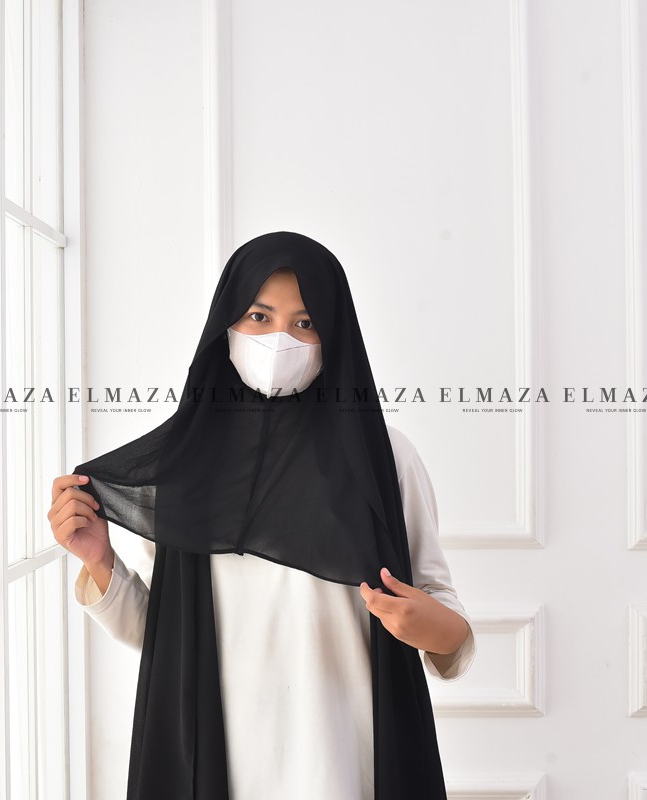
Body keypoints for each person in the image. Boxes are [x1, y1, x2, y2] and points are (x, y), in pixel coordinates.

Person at [49, 232, 476, 800]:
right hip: (219, 765)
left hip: (347, 765)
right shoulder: (187, 462)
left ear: (334, 333)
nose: (280, 340)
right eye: (259, 316)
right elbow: (166, 635)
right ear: (226, 324)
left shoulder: (384, 458)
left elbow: (447, 626)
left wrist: (431, 629)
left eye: (305, 322)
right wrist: (100, 563)